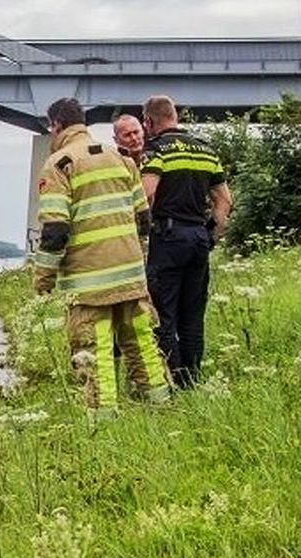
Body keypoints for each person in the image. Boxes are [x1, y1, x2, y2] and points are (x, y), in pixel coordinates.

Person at [32, 98, 171, 410]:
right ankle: (160, 406)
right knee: (143, 346)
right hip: (131, 277)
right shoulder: (122, 158)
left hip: (89, 284)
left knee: (95, 354)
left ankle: (103, 422)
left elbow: (55, 231)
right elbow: (143, 220)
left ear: (55, 125)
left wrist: (43, 279)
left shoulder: (59, 164)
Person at [141, 95, 233, 387]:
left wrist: (140, 229)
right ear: (174, 115)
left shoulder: (156, 149)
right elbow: (224, 201)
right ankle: (192, 381)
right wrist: (210, 237)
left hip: (167, 237)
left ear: (149, 121)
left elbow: (146, 194)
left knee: (163, 315)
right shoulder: (206, 150)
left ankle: (172, 382)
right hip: (197, 238)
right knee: (192, 316)